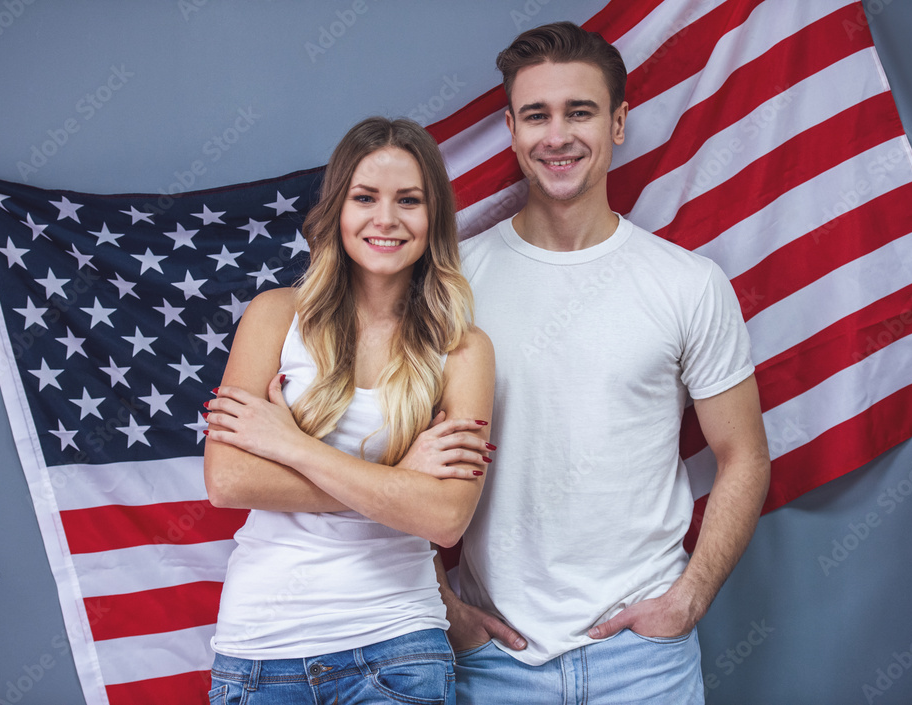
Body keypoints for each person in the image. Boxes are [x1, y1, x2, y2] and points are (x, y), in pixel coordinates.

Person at [433, 22, 772, 704]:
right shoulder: (453, 285)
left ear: (618, 123)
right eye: (537, 115)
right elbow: (390, 454)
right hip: (494, 661)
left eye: (579, 111)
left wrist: (687, 601)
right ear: (511, 128)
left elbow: (745, 456)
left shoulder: (688, 284)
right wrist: (444, 607)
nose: (557, 135)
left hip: (642, 661)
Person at [201, 116, 496, 705]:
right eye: (365, 197)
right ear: (338, 209)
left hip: (396, 647)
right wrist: (401, 484)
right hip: (260, 650)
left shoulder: (463, 350)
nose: (385, 219)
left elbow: (444, 519)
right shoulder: (275, 316)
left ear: (433, 216)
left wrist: (290, 446)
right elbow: (228, 480)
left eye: (408, 200)